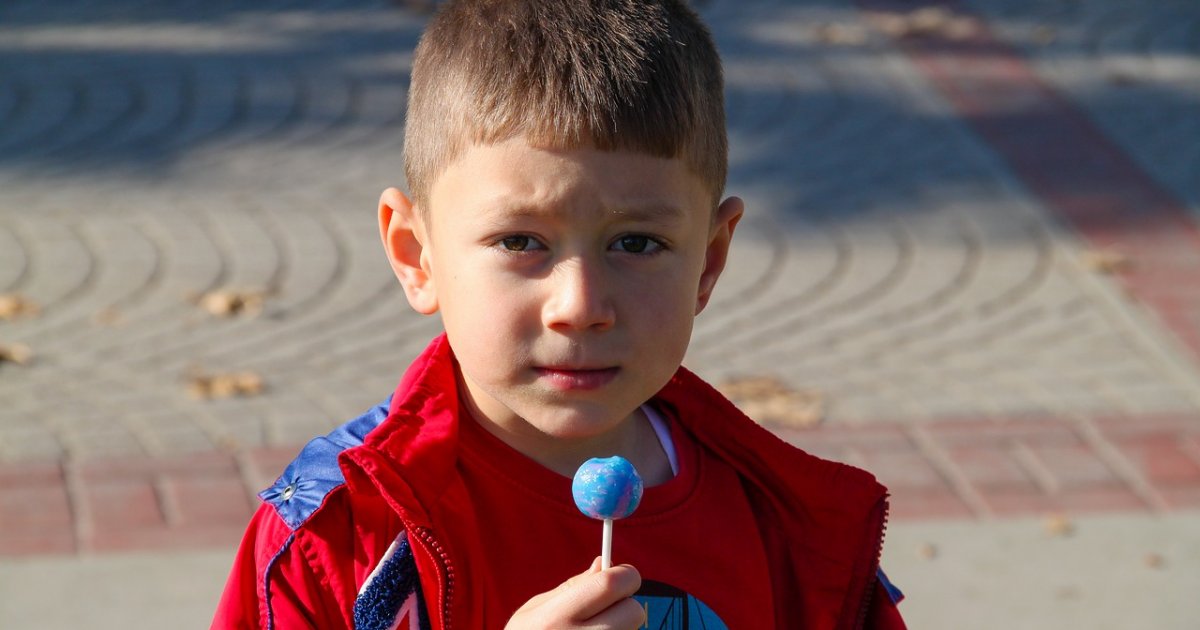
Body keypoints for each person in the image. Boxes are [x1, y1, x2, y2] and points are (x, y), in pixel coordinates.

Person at [213, 0, 907, 628]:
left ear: (709, 260)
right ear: (415, 255)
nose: (580, 307)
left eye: (637, 244)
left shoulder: (793, 531)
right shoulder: (335, 540)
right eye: (521, 242)